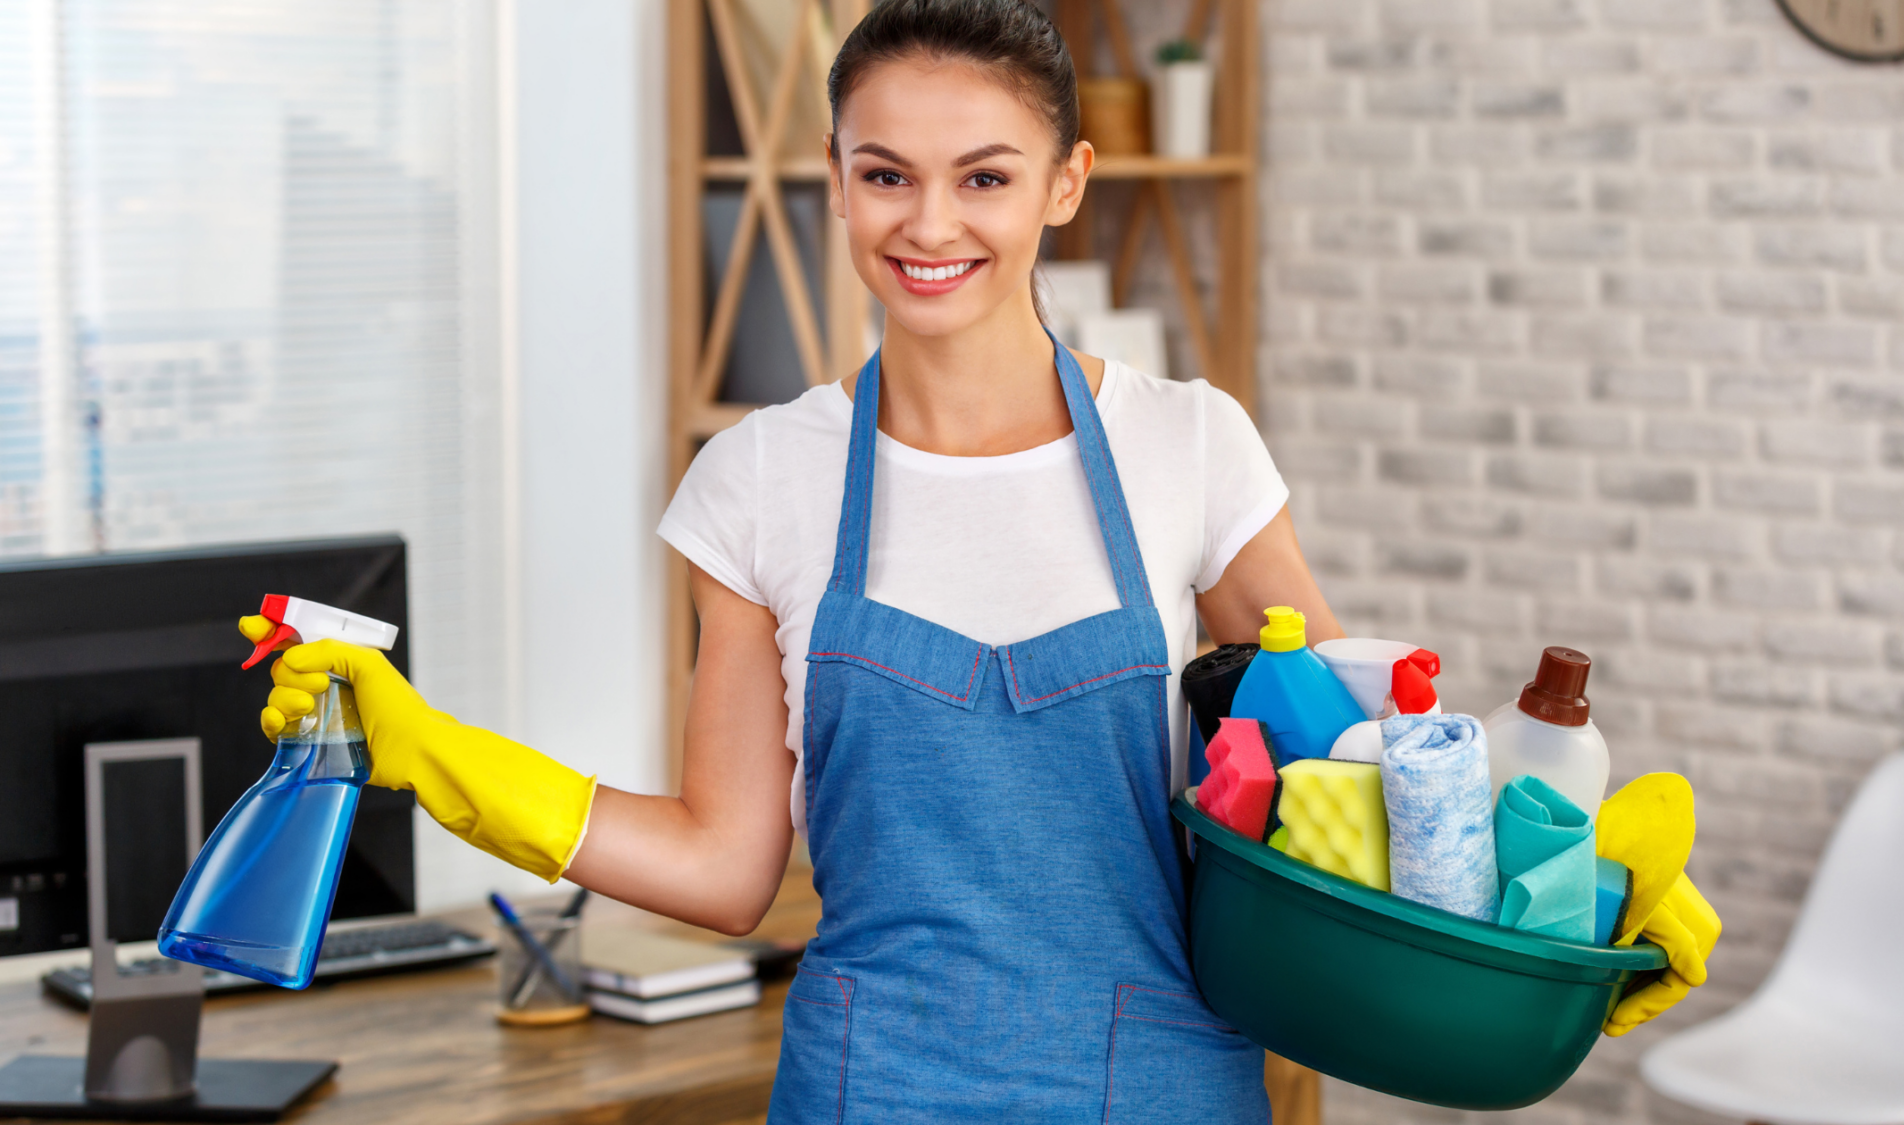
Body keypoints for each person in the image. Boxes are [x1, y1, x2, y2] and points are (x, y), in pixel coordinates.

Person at [244, 0, 1343, 1118]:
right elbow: (721, 871)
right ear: (833, 176)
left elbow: (1348, 782)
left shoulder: (1188, 446)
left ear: (1064, 183)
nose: (927, 225)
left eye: (983, 179)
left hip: (1153, 1086)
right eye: (885, 176)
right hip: (870, 1089)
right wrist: (433, 751)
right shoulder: (760, 479)